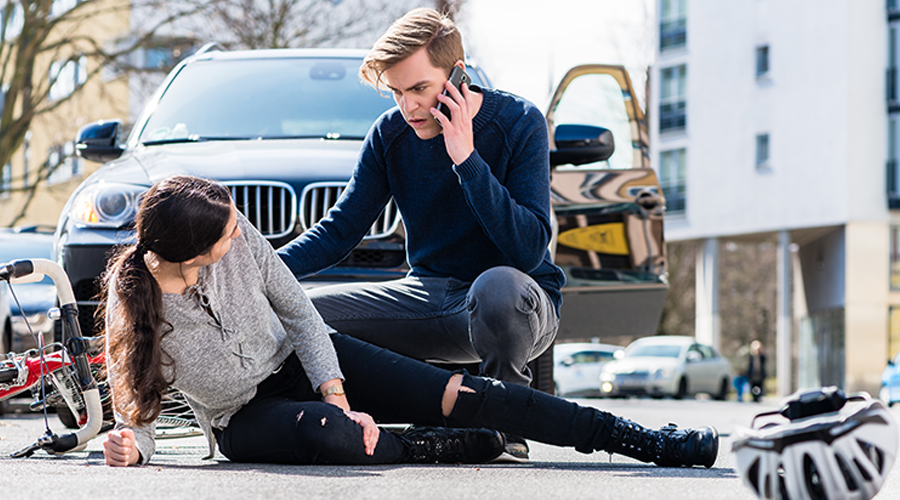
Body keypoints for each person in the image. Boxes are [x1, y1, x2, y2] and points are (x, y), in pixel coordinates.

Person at [100, 175, 719, 469]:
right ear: (188, 250)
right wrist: (133, 446)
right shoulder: (135, 305)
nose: (240, 237)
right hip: (244, 418)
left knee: (471, 392)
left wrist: (337, 392)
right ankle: (436, 447)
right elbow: (139, 409)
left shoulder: (239, 241)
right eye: (226, 235)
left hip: (305, 363)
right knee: (331, 435)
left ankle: (641, 439)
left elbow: (302, 316)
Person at [277, 7, 563, 461]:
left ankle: (506, 420)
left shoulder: (520, 122)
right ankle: (365, 415)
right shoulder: (390, 134)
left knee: (498, 286)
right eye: (395, 92)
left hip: (517, 304)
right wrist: (258, 272)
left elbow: (528, 249)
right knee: (302, 316)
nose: (408, 106)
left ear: (458, 75)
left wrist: (466, 159)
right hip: (429, 298)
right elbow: (339, 230)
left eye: (419, 89)